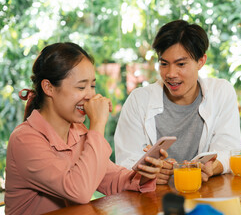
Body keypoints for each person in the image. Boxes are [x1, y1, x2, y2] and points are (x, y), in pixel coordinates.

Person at [5, 42, 167, 215]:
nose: (90, 95)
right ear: (49, 87)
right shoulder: (25, 139)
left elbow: (112, 179)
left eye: (92, 86)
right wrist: (97, 124)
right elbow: (79, 191)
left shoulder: (78, 131)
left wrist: (145, 173)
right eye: (81, 87)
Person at [114, 20, 241, 184]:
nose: (170, 74)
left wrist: (212, 167)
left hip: (203, 198)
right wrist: (149, 173)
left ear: (201, 61)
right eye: (164, 64)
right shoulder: (139, 100)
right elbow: (126, 161)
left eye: (181, 64)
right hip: (153, 203)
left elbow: (229, 149)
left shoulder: (221, 92)